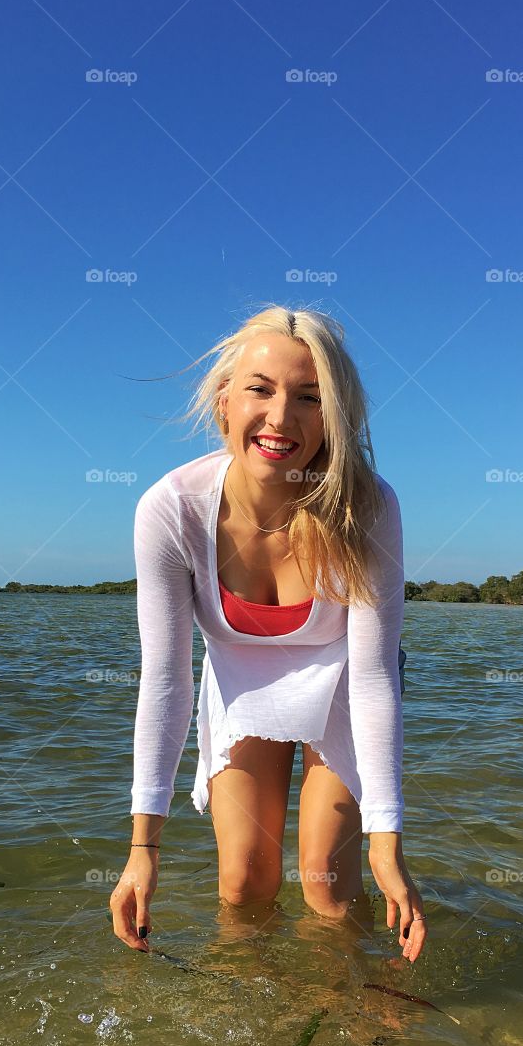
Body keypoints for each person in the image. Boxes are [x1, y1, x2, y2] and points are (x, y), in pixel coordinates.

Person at [110, 306, 427, 962]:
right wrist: (143, 851)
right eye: (261, 389)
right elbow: (166, 680)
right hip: (239, 683)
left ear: (334, 415)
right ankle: (252, 1022)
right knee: (244, 880)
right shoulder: (171, 510)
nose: (281, 418)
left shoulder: (368, 507)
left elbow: (373, 679)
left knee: (327, 885)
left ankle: (353, 1012)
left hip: (345, 681)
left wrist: (386, 842)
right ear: (225, 400)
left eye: (310, 398)